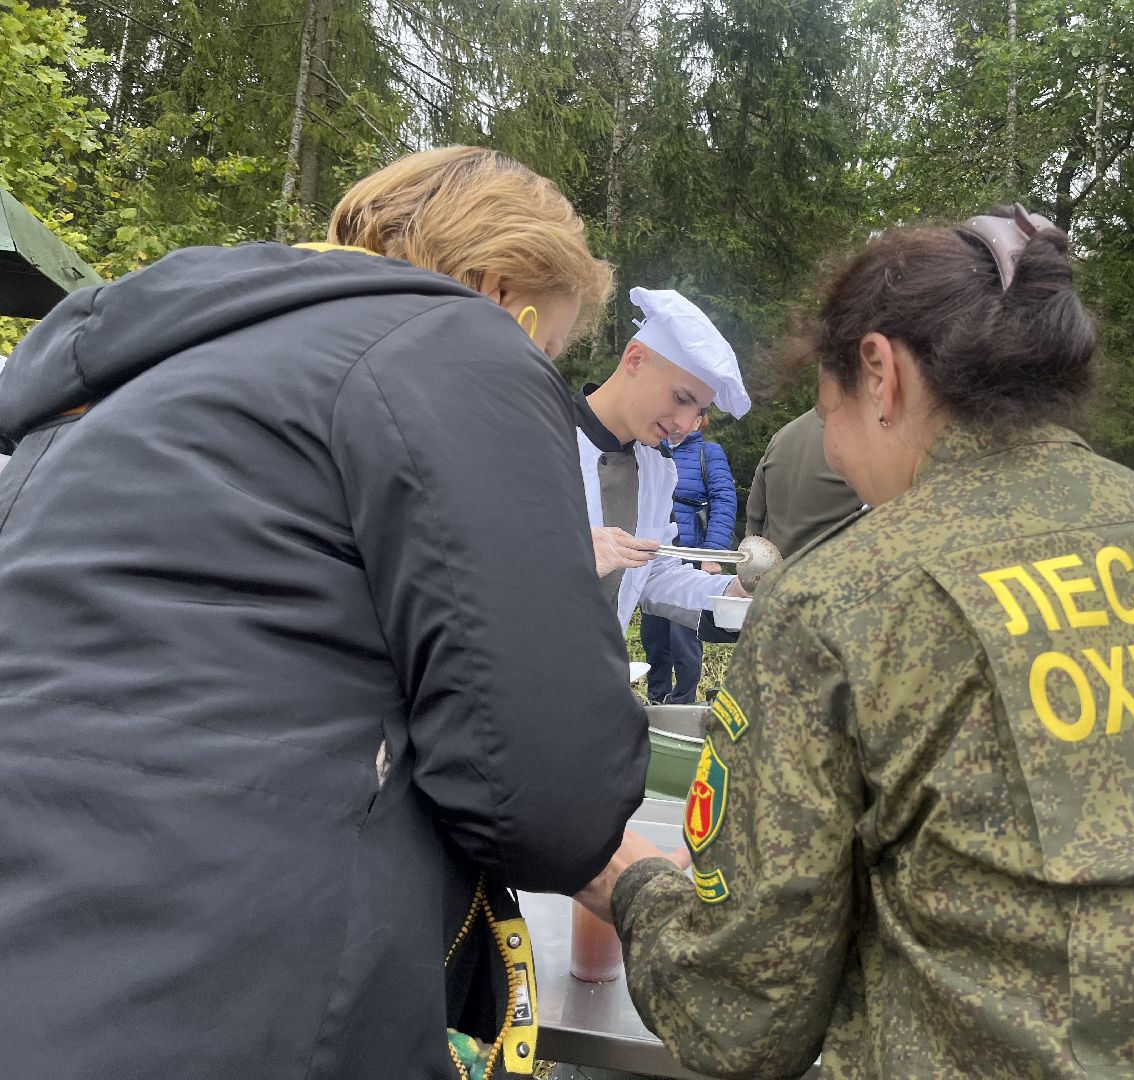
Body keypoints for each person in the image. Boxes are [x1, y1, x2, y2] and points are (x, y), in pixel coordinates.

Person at [577, 209, 1134, 1078]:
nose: (833, 448)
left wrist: (630, 884)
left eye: (825, 404)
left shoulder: (847, 597)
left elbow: (741, 1015)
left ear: (879, 372)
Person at [0, 146, 649, 1080]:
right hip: (230, 992)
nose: (538, 367)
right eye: (547, 344)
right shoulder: (458, 337)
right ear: (503, 289)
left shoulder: (137, 373)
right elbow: (545, 792)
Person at [578, 287, 750, 632]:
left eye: (699, 410)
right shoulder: (538, 437)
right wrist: (570, 556)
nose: (686, 424)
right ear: (635, 360)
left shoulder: (658, 468)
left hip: (597, 674)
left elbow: (654, 571)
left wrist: (731, 592)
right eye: (681, 397)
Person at [641, 411, 737, 704]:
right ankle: (657, 699)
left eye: (690, 416)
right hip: (657, 554)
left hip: (693, 556)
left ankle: (683, 700)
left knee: (684, 638)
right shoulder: (652, 450)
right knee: (654, 637)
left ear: (699, 422)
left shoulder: (709, 452)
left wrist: (712, 554)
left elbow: (724, 500)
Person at [745, 406, 861, 557]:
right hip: (835, 571)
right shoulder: (871, 439)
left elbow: (754, 519)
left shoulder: (782, 436)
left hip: (774, 573)